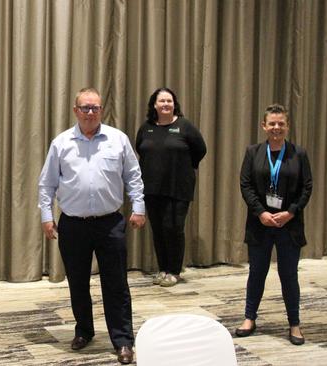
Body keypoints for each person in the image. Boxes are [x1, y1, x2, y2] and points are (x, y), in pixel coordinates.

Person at [38, 87, 146, 365]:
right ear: (75, 111)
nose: (89, 112)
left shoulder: (117, 139)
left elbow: (133, 176)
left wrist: (139, 207)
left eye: (94, 108)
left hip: (110, 223)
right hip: (73, 225)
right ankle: (84, 330)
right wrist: (47, 217)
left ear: (101, 110)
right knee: (77, 282)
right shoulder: (61, 143)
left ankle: (123, 340)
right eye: (84, 108)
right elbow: (46, 184)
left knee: (117, 284)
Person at [235, 104, 312, 345]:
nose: (276, 128)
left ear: (287, 126)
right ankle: (249, 318)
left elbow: (307, 187)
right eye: (272, 124)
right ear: (264, 126)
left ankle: (294, 324)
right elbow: (245, 184)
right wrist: (261, 213)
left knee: (289, 275)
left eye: (281, 124)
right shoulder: (253, 152)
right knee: (257, 272)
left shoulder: (298, 154)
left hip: (289, 225)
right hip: (261, 224)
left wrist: (290, 212)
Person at [135, 87, 207, 287]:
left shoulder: (185, 126)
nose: (166, 104)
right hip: (151, 188)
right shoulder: (146, 127)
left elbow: (200, 149)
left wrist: (184, 166)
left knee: (173, 228)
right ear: (154, 105)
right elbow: (139, 148)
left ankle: (174, 271)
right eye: (162, 101)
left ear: (174, 104)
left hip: (178, 188)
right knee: (158, 229)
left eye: (169, 101)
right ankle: (162, 269)